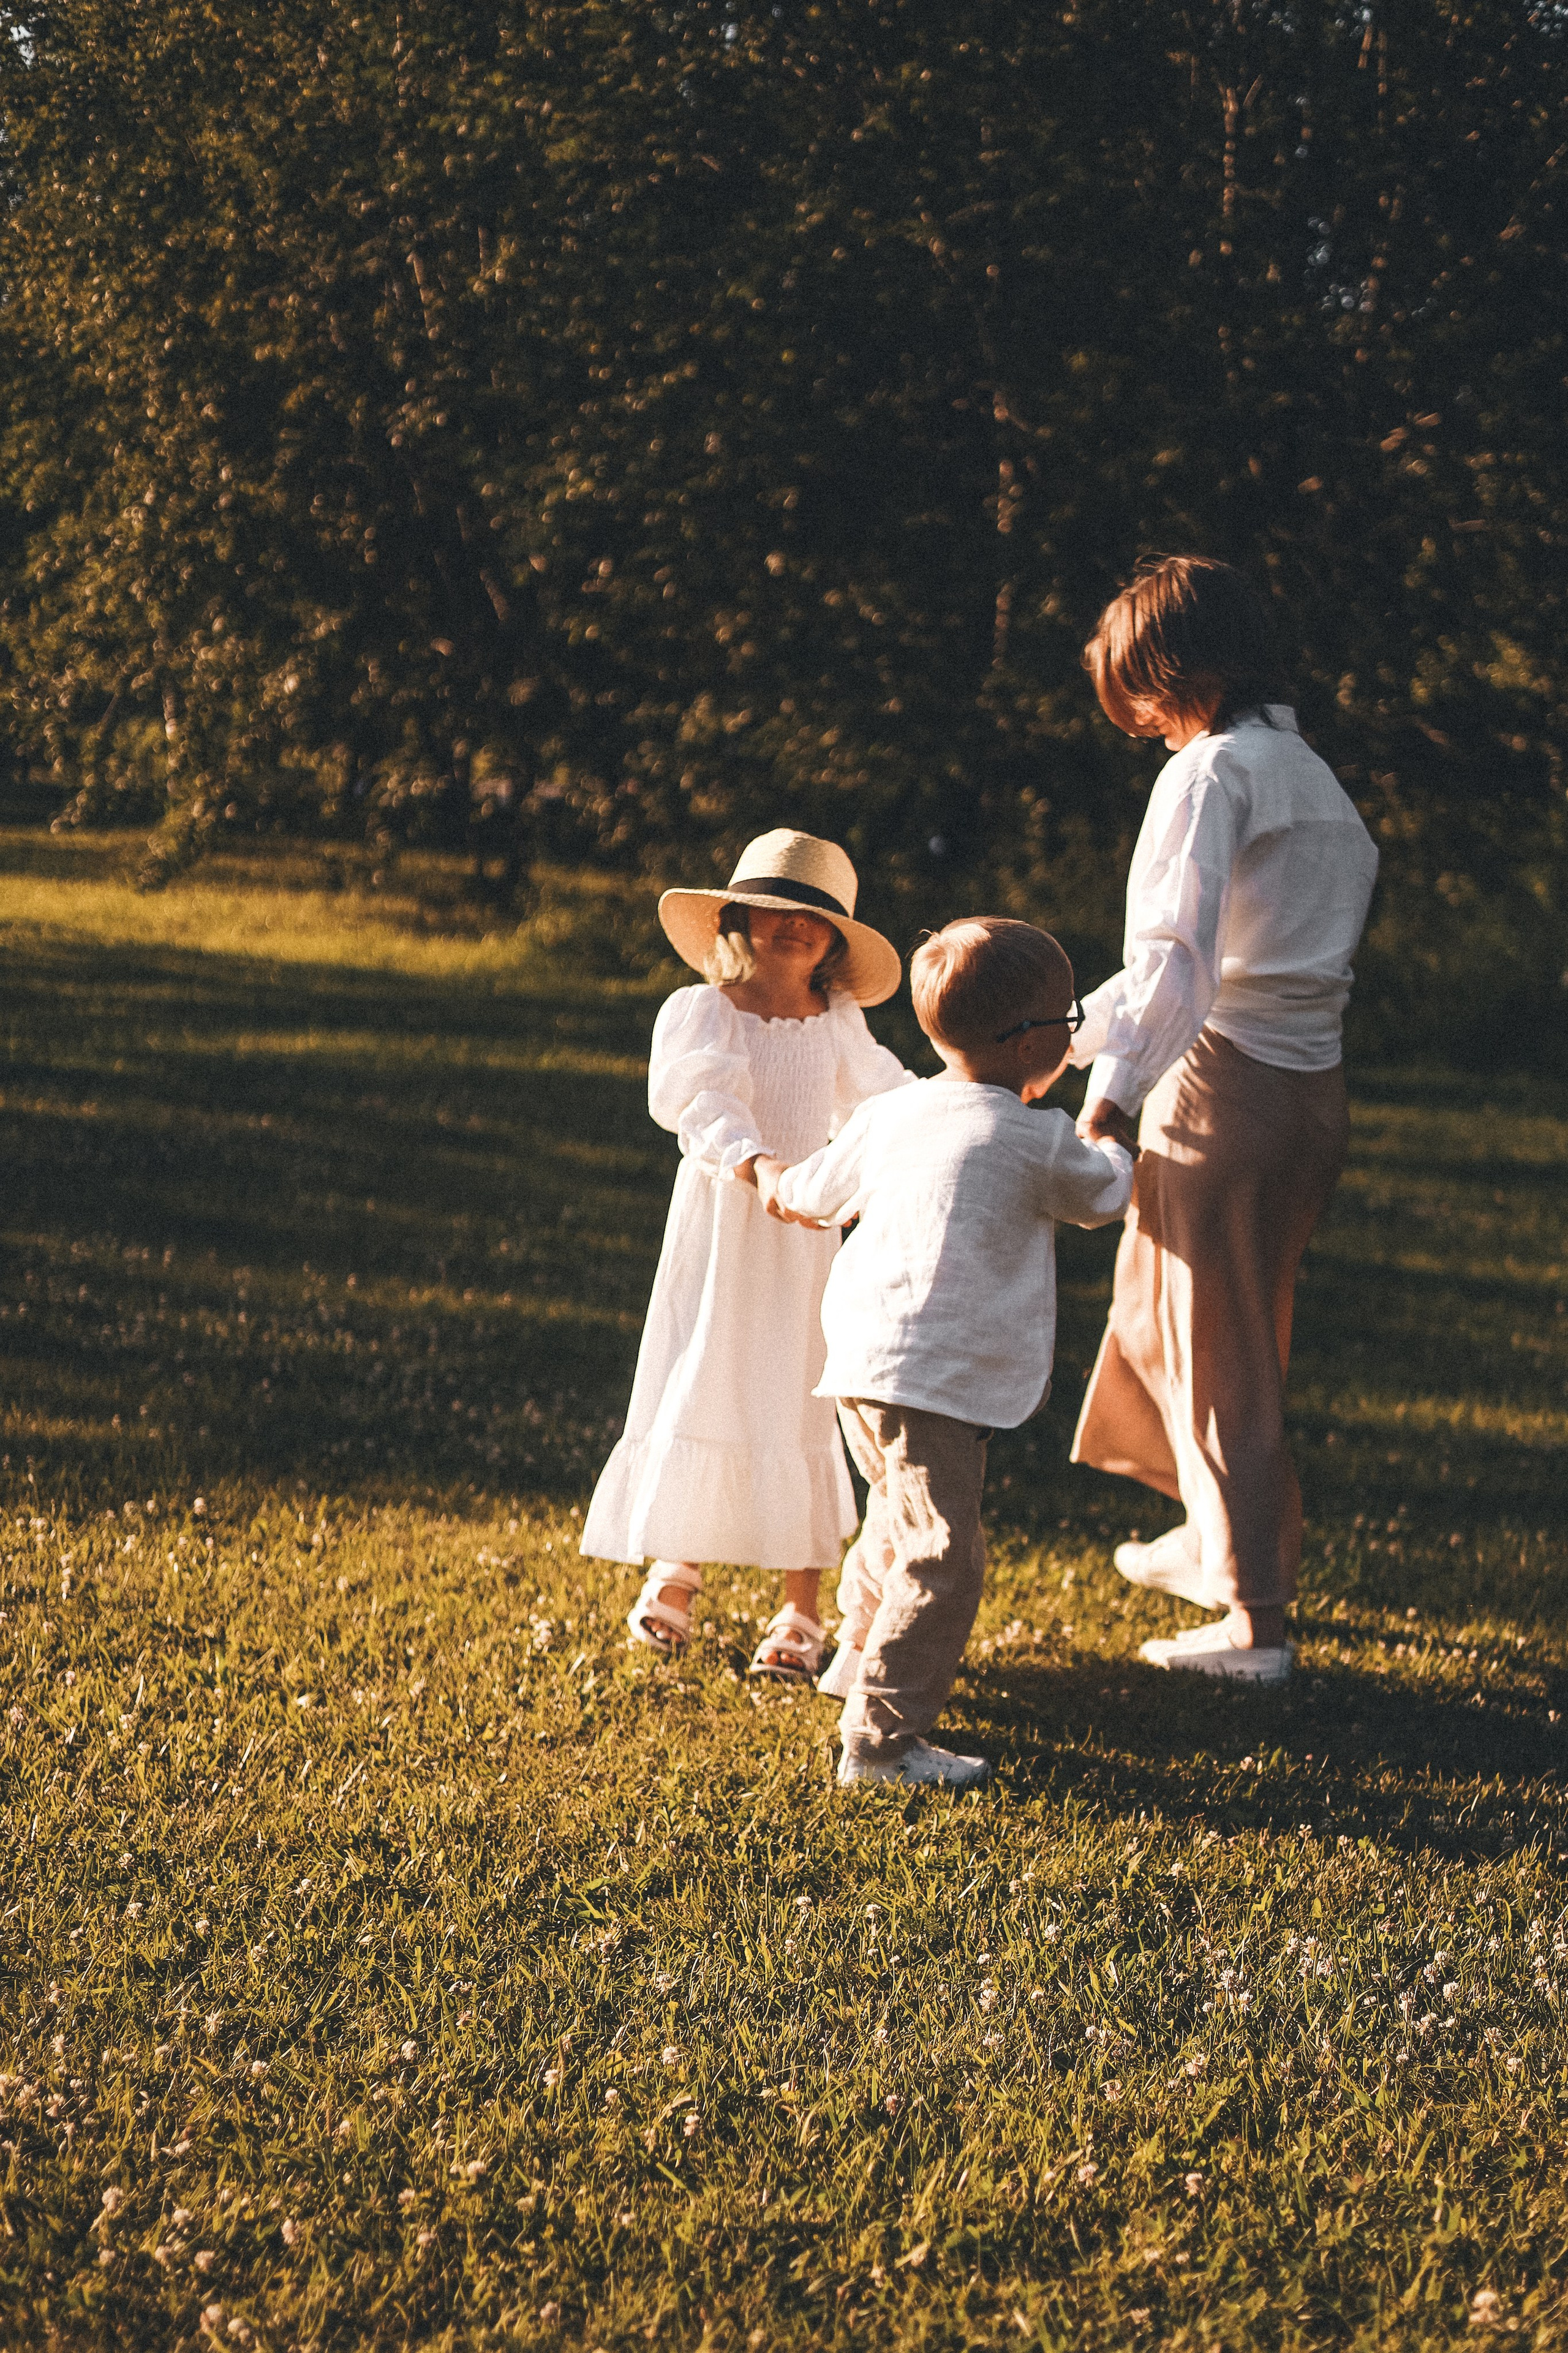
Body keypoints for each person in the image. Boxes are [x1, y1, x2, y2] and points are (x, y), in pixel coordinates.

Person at [1069, 554, 1379, 1684]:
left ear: (1180, 671)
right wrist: (1063, 1033)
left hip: (1226, 1089)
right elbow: (1226, 965)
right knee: (1165, 1314)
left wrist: (1109, 1097)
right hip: (1308, 1091)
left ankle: (1255, 1626)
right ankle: (1213, 1536)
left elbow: (1178, 966)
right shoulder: (1314, 777)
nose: (1140, 725)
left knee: (1221, 1354)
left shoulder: (1209, 775)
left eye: (1141, 699)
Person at [753, 918, 1134, 1788]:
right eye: (1069, 1021)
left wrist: (771, 1175)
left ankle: (855, 1652)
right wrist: (1113, 1133)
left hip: (861, 1361)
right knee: (943, 1554)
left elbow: (811, 1192)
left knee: (895, 1511)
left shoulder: (895, 1112)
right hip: (939, 1376)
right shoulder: (1038, 1140)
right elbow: (1103, 1194)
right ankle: (880, 1741)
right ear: (1034, 1040)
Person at [579, 828, 911, 1682]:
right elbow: (704, 1102)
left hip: (808, 1239)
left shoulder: (838, 1021)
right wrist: (758, 1166)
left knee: (803, 1393)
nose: (794, 927)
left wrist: (961, 1109)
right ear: (740, 918)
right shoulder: (705, 1010)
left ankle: (802, 1600)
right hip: (728, 1224)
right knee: (709, 1374)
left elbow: (884, 1102)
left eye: (814, 918)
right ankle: (679, 1563)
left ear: (835, 939)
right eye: (774, 910)